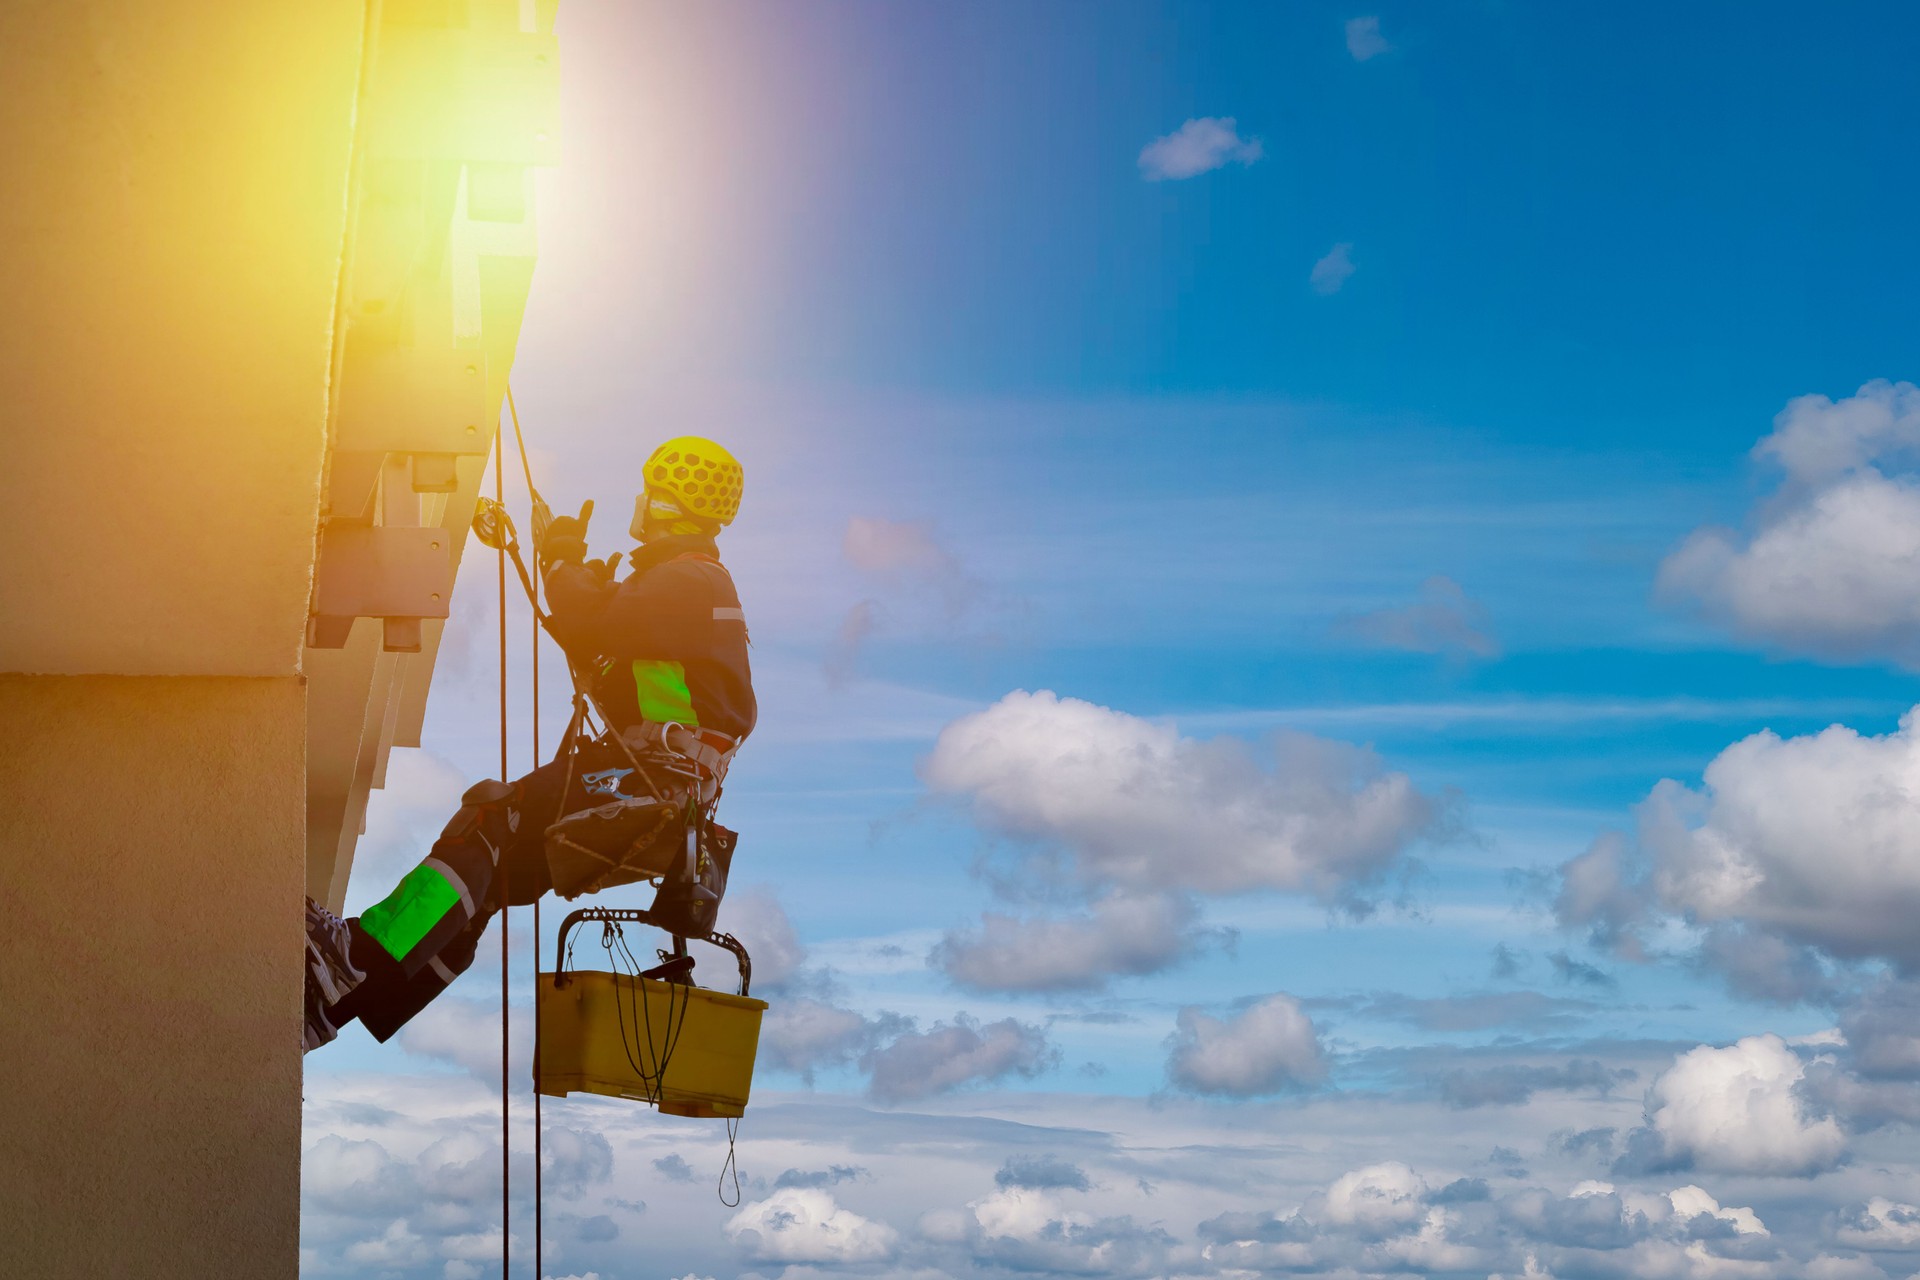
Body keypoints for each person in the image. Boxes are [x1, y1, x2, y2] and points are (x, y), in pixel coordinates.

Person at [302, 436, 755, 1052]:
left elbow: (589, 624)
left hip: (650, 778)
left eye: (650, 494)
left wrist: (566, 561)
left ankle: (349, 960)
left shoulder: (689, 580)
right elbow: (597, 638)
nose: (640, 504)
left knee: (490, 818)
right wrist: (574, 575)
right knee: (494, 878)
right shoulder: (684, 587)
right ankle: (343, 1002)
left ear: (666, 505)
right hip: (663, 785)